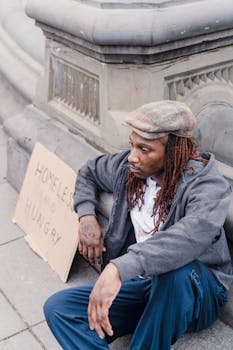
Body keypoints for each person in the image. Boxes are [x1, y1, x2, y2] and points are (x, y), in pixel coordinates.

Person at [44, 100, 233, 350]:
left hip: (197, 291)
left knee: (176, 273)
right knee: (59, 308)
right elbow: (89, 171)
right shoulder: (129, 168)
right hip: (145, 282)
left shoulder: (207, 186)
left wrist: (119, 268)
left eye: (145, 149)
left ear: (175, 151)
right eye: (132, 145)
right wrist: (86, 216)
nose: (133, 156)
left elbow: (188, 237)